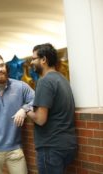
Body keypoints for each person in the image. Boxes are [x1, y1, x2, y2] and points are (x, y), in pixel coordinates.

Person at [26, 43, 77, 174]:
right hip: (67, 145)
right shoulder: (63, 79)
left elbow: (40, 119)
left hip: (50, 147)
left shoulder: (45, 81)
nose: (31, 62)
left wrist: (26, 109)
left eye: (34, 58)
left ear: (44, 60)